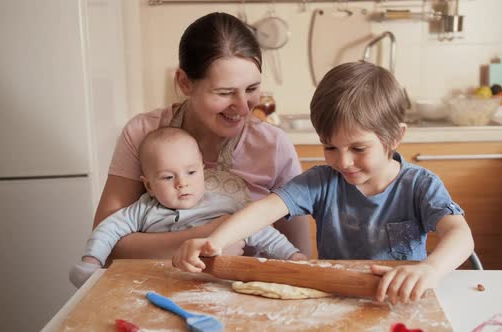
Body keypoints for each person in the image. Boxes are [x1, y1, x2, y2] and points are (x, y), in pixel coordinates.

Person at [172, 61, 475, 305]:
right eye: (330, 147)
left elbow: (460, 235)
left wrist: (431, 269)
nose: (343, 162)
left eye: (358, 149)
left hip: (401, 299)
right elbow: (263, 211)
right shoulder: (322, 181)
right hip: (336, 300)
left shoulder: (420, 186)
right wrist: (216, 241)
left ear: (395, 137)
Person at [92, 12, 312, 263]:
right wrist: (210, 238)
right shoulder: (142, 133)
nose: (242, 108)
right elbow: (106, 245)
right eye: (225, 92)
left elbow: (299, 255)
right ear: (185, 82)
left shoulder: (274, 146)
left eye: (251, 89)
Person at [70, 127, 306, 288]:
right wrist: (91, 261)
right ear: (149, 185)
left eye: (191, 172)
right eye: (167, 177)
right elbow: (107, 229)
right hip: (155, 284)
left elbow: (261, 231)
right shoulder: (142, 210)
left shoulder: (225, 204)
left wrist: (292, 255)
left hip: (215, 285)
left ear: (203, 170)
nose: (182, 183)